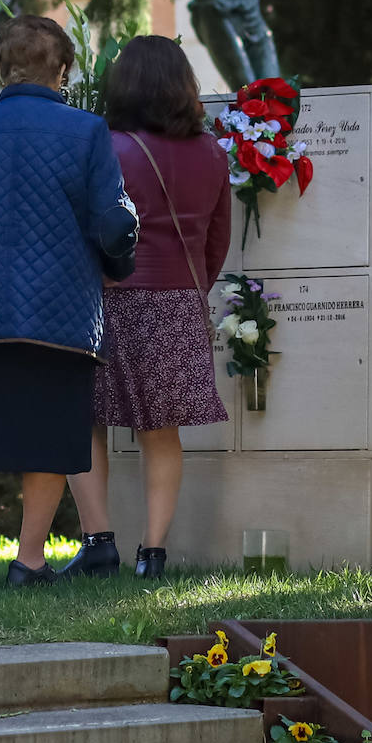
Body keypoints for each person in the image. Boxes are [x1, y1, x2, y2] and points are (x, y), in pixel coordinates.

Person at [0, 15, 139, 590]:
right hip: (60, 313)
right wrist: (119, 263)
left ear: (1, 67)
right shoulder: (88, 132)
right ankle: (29, 560)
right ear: (61, 70)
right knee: (51, 436)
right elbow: (112, 224)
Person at [63, 35, 232, 580]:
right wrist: (190, 288)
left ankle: (99, 543)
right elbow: (217, 240)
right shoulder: (212, 153)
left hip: (108, 300)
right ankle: (153, 554)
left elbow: (88, 230)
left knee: (82, 420)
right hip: (179, 302)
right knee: (162, 432)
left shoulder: (109, 147)